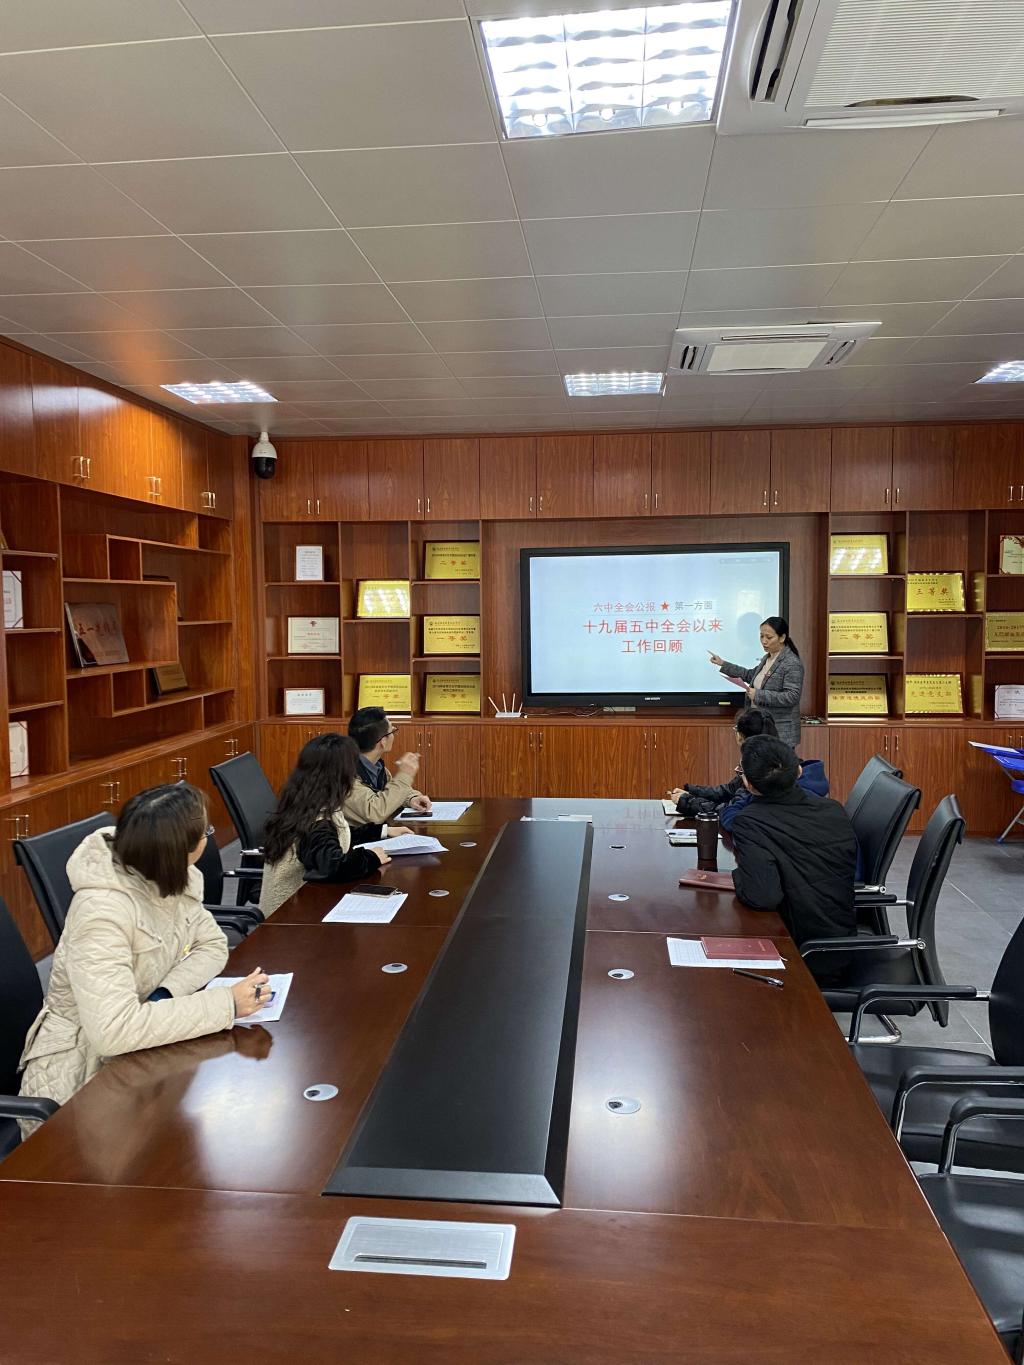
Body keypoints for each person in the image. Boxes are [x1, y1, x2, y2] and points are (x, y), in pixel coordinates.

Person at [18, 784, 269, 1131]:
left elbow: (211, 944)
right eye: (206, 832)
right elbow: (113, 1031)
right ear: (179, 849)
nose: (208, 838)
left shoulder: (174, 876)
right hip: (79, 1082)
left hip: (141, 1054)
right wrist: (226, 1004)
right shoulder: (101, 914)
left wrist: (164, 994)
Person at [730, 735, 856, 977]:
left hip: (800, 955)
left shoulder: (751, 821)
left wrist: (737, 876)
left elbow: (763, 897)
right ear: (799, 771)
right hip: (841, 944)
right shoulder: (834, 809)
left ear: (749, 785)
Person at [260, 732, 404, 916]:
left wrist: (382, 831)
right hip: (289, 919)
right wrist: (371, 858)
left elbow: (338, 835)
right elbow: (332, 866)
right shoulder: (316, 822)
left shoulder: (305, 802)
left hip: (298, 908)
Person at [667, 712, 829, 831]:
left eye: (742, 772)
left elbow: (731, 813)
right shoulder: (829, 808)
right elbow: (731, 793)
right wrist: (691, 792)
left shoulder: (762, 773)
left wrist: (688, 802)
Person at [709, 616, 805, 749]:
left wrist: (758, 695)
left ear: (782, 638)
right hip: (762, 729)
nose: (764, 641)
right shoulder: (768, 658)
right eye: (761, 636)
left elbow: (792, 697)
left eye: (769, 637)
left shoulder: (791, 663)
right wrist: (723, 664)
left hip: (779, 732)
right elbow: (750, 675)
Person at [345, 706, 431, 827]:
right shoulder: (345, 773)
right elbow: (375, 813)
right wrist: (405, 775)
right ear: (383, 741)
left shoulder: (376, 766)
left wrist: (411, 798)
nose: (394, 735)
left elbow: (390, 792)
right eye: (392, 731)